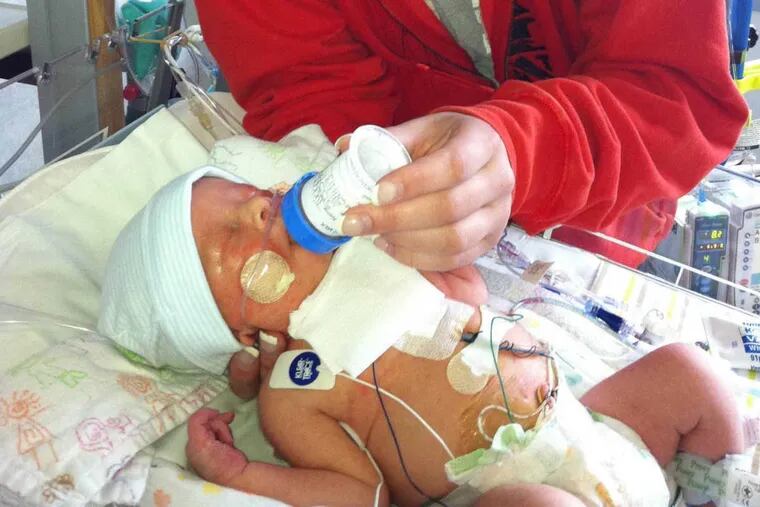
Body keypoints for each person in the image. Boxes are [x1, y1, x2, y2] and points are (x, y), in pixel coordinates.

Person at [99, 168, 743, 507]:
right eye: (228, 239)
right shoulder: (294, 393)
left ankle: (726, 487)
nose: (258, 206)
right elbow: (362, 494)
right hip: (505, 491)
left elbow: (471, 296)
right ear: (240, 331)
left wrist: (416, 249)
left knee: (689, 371)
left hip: (599, 434)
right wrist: (247, 475)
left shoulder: (378, 254)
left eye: (247, 191)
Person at [194, 0, 748, 273]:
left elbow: (678, 98)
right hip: (411, 244)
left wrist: (520, 150)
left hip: (604, 227)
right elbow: (311, 93)